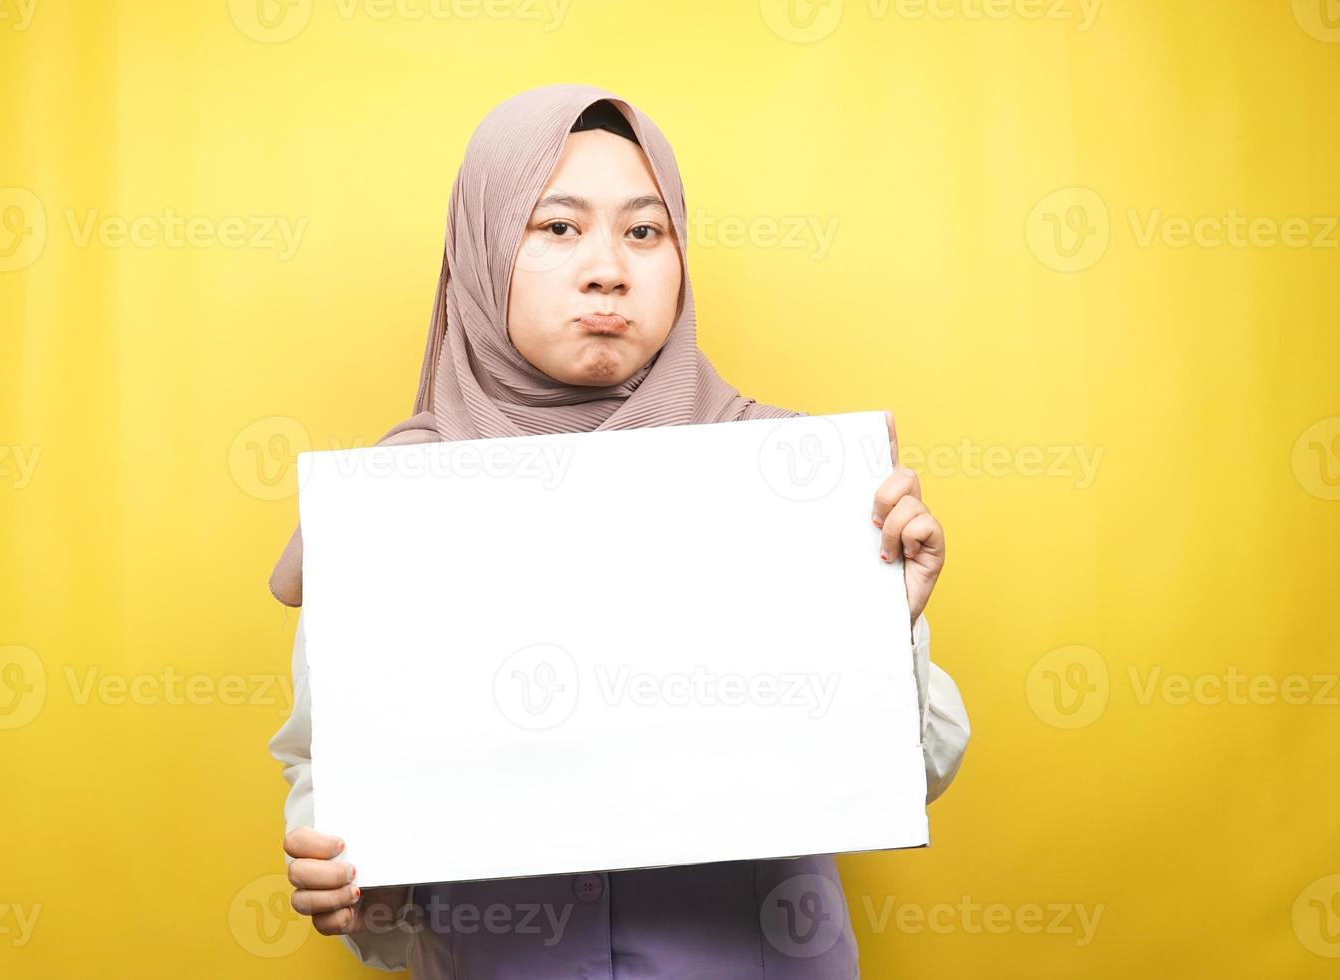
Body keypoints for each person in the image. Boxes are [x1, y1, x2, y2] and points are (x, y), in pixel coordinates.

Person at [266, 82, 971, 979]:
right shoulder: (394, 511)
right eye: (557, 227)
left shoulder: (783, 475)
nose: (609, 268)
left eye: (645, 231)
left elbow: (921, 769)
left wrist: (883, 623)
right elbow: (334, 778)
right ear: (483, 251)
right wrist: (360, 883)